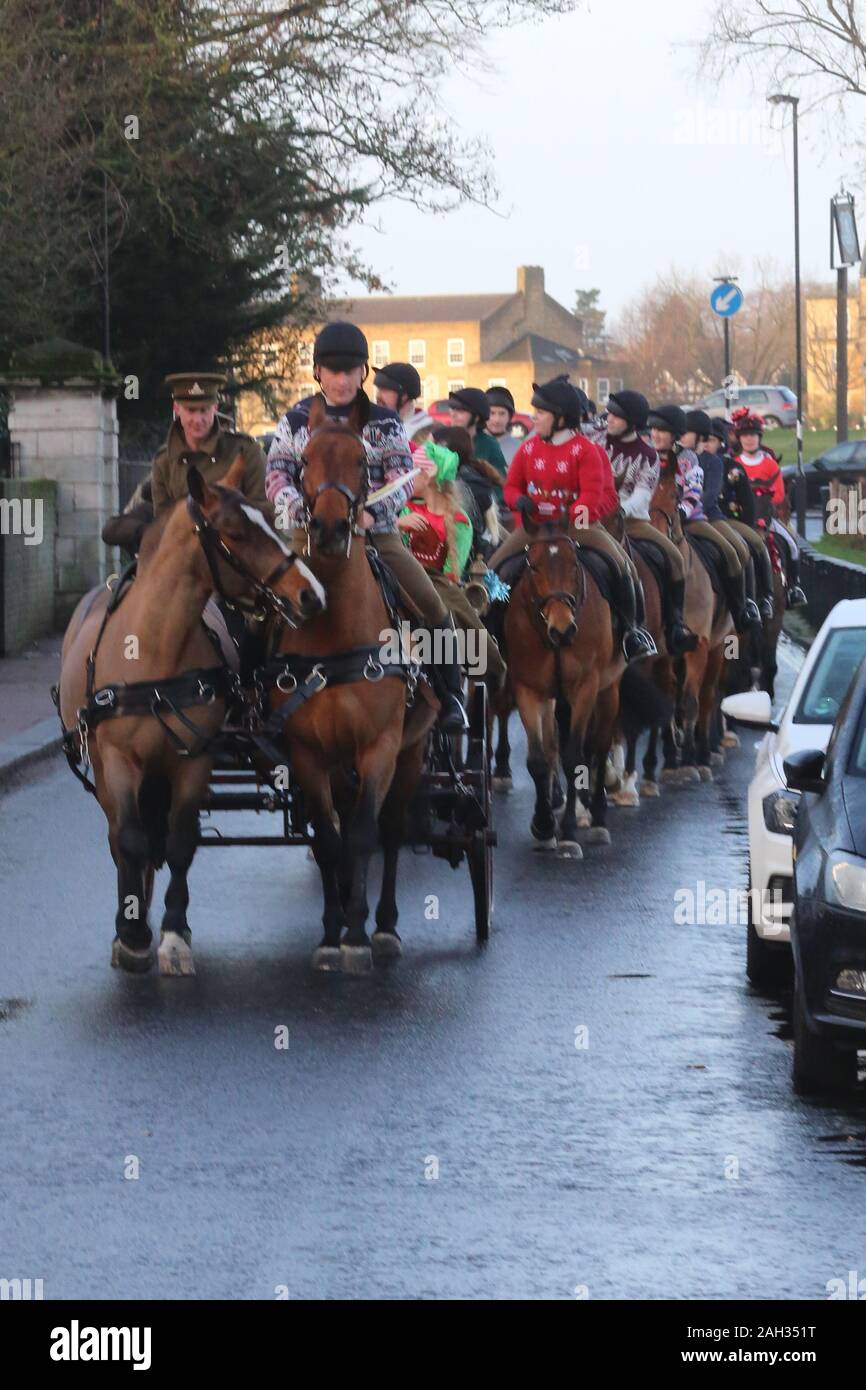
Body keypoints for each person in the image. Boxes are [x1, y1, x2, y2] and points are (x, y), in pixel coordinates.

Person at [265, 320, 468, 730]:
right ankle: (253, 693)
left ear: (363, 373)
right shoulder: (295, 419)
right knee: (261, 607)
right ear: (318, 372)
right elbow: (276, 475)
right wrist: (297, 508)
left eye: (350, 370)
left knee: (432, 604)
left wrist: (375, 513)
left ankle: (451, 696)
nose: (341, 379)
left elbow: (402, 476)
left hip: (374, 533)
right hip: (309, 532)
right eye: (333, 370)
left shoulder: (385, 422)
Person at [488, 375, 656, 662]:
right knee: (493, 572)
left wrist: (572, 513)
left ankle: (632, 632)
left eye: (540, 413)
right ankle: (491, 635)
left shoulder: (586, 450)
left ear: (561, 418)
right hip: (535, 528)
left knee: (623, 566)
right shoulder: (528, 449)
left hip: (577, 527)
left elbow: (593, 493)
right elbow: (510, 486)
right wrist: (519, 500)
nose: (534, 418)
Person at [590, 389, 696, 654]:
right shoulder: (593, 440)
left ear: (632, 422)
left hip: (629, 520)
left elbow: (642, 496)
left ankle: (674, 625)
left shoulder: (648, 455)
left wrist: (616, 512)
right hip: (588, 517)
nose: (609, 418)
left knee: (675, 557)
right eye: (609, 413)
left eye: (616, 415)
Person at [397, 439, 507, 691]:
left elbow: (451, 570)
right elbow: (394, 551)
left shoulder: (459, 521)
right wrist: (396, 527)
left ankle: (455, 688)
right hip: (402, 575)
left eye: (410, 474)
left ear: (428, 478)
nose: (404, 480)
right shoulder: (403, 511)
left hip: (437, 581)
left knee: (450, 615)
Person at [648, 404, 759, 634]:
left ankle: (741, 609)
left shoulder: (693, 460)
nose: (656, 435)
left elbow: (700, 494)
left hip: (697, 518)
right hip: (657, 518)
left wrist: (681, 512)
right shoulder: (649, 456)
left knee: (733, 550)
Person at [681, 409, 766, 621]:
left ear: (699, 436)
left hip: (709, 516)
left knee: (738, 549)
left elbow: (710, 494)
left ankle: (746, 604)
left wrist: (688, 509)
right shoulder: (677, 457)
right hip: (676, 517)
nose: (681, 437)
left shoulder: (714, 462)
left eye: (686, 433)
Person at [151, 372, 269, 516]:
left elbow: (265, 512)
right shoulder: (164, 462)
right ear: (177, 409)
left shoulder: (246, 451)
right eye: (191, 410)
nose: (198, 419)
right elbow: (163, 527)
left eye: (204, 410)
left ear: (215, 408)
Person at [730, 407, 806, 606]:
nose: (749, 439)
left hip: (767, 517)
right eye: (745, 435)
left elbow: (779, 493)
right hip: (741, 518)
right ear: (739, 438)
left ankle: (793, 587)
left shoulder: (770, 464)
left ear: (759, 437)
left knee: (791, 543)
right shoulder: (734, 463)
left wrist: (763, 500)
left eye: (753, 435)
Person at [709, 417, 775, 619]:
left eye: (710, 440)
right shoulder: (691, 462)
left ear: (721, 442)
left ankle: (764, 597)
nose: (705, 444)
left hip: (730, 519)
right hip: (697, 520)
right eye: (703, 440)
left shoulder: (732, 467)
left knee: (756, 544)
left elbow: (748, 502)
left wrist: (746, 527)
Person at [432, 424, 503, 559]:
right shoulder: (472, 477)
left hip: (462, 557)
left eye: (431, 447)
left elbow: (462, 536)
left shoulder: (463, 485)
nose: (425, 451)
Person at [447, 387, 508, 480]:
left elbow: (499, 484)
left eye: (460, 411)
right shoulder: (444, 440)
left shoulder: (489, 445)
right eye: (452, 409)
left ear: (476, 418)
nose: (453, 414)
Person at [373, 361, 425, 432]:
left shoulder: (427, 432)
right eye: (378, 389)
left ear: (404, 396)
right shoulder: (371, 428)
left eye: (384, 390)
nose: (377, 395)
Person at [485, 386, 522, 466]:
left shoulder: (520, 449)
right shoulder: (472, 445)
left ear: (510, 416)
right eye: (492, 413)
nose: (497, 420)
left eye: (502, 413)